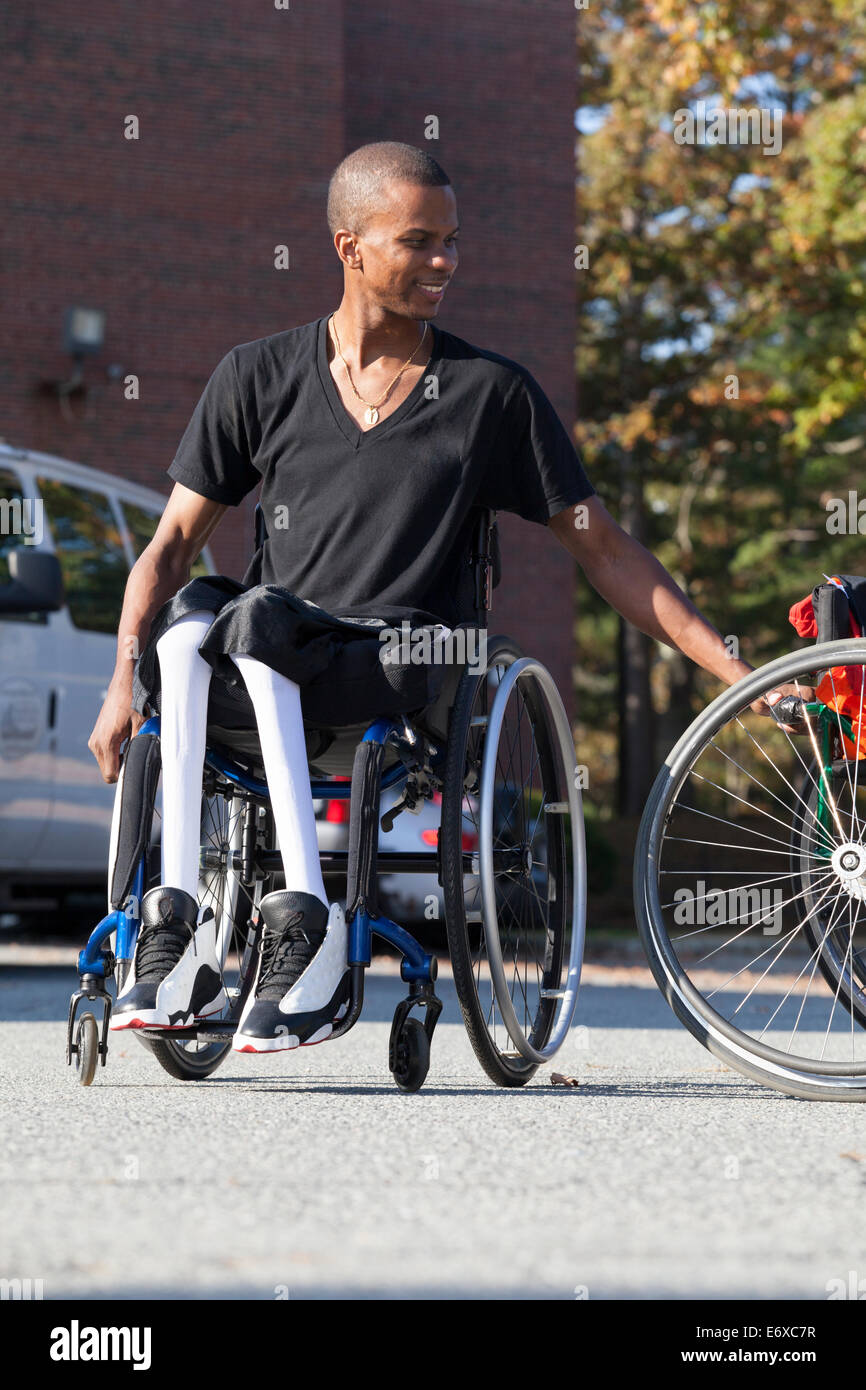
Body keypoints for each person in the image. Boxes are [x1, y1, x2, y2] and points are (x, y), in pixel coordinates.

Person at [87, 139, 790, 1055]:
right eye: (418, 242)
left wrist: (737, 674)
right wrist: (117, 684)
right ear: (349, 247)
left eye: (452, 241)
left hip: (404, 660)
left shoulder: (490, 395)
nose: (444, 263)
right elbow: (170, 546)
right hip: (268, 665)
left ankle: (314, 930)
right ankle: (171, 927)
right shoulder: (256, 377)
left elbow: (607, 553)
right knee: (193, 627)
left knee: (251, 622)